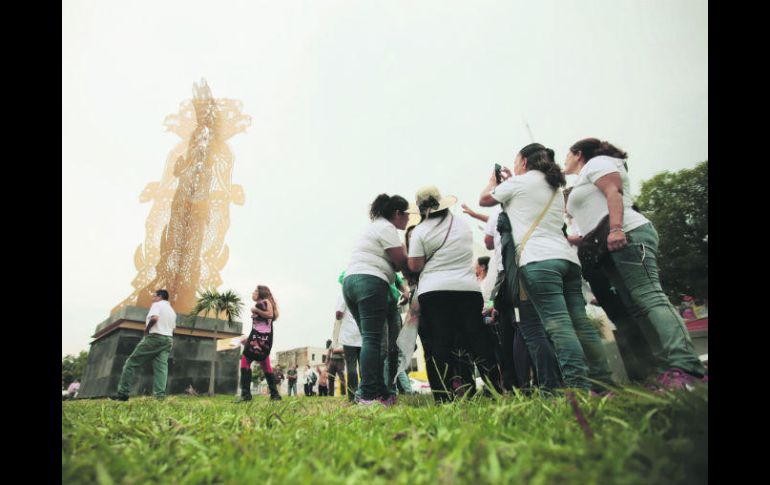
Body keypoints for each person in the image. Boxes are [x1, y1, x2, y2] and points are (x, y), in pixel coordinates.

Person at [563, 137, 705, 388]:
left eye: (567, 154)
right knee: (638, 308)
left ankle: (687, 366)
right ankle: (667, 370)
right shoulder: (585, 174)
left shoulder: (597, 162)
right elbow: (592, 221)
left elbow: (613, 192)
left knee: (650, 297)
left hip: (627, 233)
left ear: (577, 154)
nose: (564, 160)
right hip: (606, 245)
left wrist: (617, 228)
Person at [480, 143, 614, 392]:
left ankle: (577, 385)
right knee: (580, 323)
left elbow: (484, 199)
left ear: (523, 162)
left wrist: (493, 181)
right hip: (567, 261)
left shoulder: (519, 184)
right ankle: (603, 381)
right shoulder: (553, 183)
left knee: (558, 324)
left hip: (538, 261)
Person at [407, 186, 502, 402]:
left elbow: (415, 265)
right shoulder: (461, 225)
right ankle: (495, 387)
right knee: (477, 340)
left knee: (441, 343)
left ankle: (444, 395)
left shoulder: (420, 231)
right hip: (468, 289)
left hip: (434, 292)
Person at [342, 194, 411, 406]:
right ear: (397, 213)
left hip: (351, 283)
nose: (408, 219)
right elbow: (402, 263)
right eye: (406, 214)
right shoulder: (386, 228)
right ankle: (367, 395)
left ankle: (379, 391)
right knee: (373, 340)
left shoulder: (373, 228)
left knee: (370, 340)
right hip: (371, 282)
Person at [111, 289, 176, 401]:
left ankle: (122, 394)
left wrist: (147, 329)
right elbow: (173, 328)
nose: (153, 298)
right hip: (168, 339)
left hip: (154, 337)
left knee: (131, 363)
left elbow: (154, 318)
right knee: (161, 369)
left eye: (154, 296)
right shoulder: (171, 311)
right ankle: (159, 396)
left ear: (160, 296)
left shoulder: (157, 305)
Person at [237, 285, 282, 401]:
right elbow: (261, 326)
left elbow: (270, 315)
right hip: (262, 339)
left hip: (260, 339)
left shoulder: (264, 302)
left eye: (256, 290)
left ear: (262, 292)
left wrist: (255, 310)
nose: (253, 292)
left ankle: (246, 395)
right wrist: (248, 339)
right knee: (266, 365)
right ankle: (275, 395)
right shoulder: (265, 303)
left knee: (245, 359)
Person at [336, 272, 362, 402]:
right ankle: (365, 394)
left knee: (351, 367)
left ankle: (353, 396)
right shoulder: (361, 291)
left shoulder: (343, 292)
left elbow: (338, 314)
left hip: (349, 335)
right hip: (363, 334)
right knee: (364, 366)